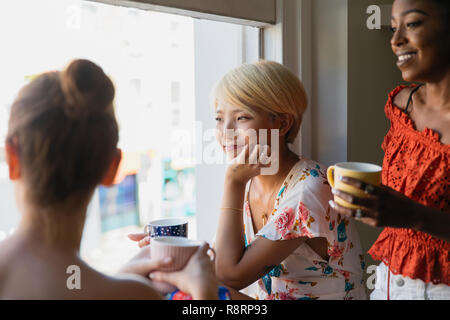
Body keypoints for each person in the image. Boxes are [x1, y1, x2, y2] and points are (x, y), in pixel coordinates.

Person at [0, 59, 218, 300]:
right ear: (113, 168)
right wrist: (204, 293)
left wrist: (120, 277)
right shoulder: (134, 295)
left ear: (12, 158)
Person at [212, 60, 367, 300]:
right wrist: (170, 250)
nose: (226, 131)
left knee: (204, 293)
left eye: (241, 117)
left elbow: (229, 276)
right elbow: (221, 261)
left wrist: (233, 182)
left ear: (282, 123)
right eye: (219, 119)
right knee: (180, 287)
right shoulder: (250, 180)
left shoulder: (311, 188)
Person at [329, 0, 449, 300]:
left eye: (412, 24)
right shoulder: (401, 105)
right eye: (394, 28)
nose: (395, 41)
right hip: (386, 283)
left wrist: (414, 216)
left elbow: (414, 213)